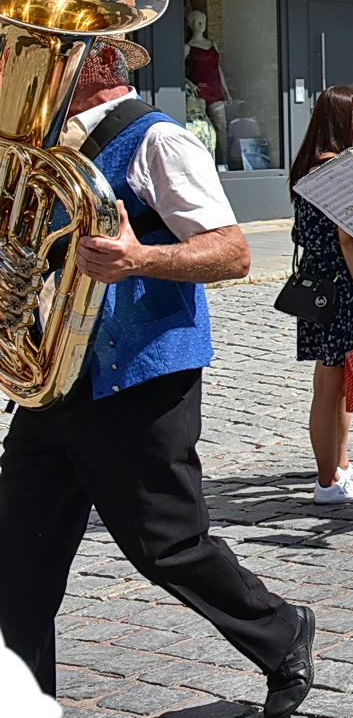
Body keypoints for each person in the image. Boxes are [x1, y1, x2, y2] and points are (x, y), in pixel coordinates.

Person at [0, 40, 314, 716]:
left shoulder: (159, 139)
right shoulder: (39, 145)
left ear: (107, 62)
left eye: (54, 49)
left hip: (138, 375)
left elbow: (230, 251)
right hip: (55, 377)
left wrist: (139, 256)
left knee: (166, 544)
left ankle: (282, 630)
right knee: (14, 564)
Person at [288, 85, 353, 506]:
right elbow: (349, 240)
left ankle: (339, 468)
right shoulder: (339, 168)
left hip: (314, 283)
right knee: (330, 389)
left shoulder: (309, 165)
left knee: (332, 384)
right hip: (338, 285)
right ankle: (328, 481)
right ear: (344, 119)